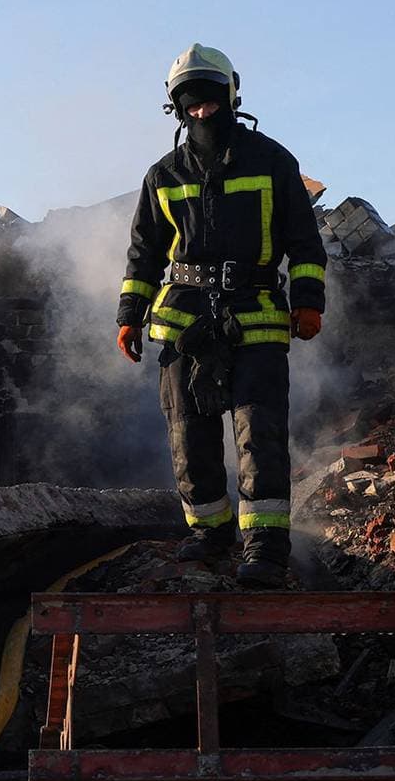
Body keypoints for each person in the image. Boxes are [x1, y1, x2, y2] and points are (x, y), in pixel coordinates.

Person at [117, 44, 328, 587]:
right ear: (176, 107)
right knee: (189, 434)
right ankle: (210, 533)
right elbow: (144, 252)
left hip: (254, 314)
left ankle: (265, 546)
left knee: (259, 431)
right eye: (191, 101)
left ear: (231, 95)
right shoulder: (162, 175)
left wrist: (308, 301)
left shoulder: (272, 161)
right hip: (184, 323)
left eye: (210, 99)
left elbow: (305, 242)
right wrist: (129, 312)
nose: (202, 110)